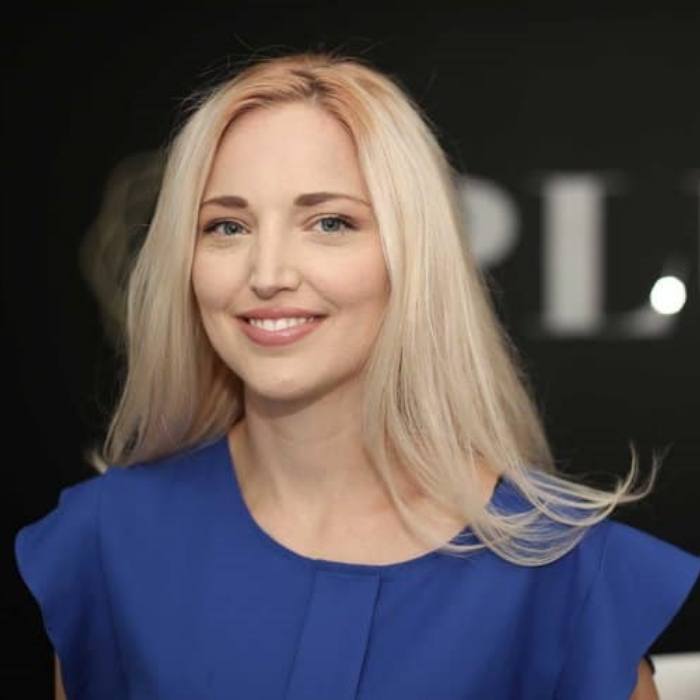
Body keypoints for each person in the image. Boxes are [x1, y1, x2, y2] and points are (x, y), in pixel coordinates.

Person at [14, 49, 698, 700]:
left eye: (330, 222)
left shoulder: (565, 574)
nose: (269, 273)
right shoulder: (107, 543)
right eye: (226, 227)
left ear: (410, 254)